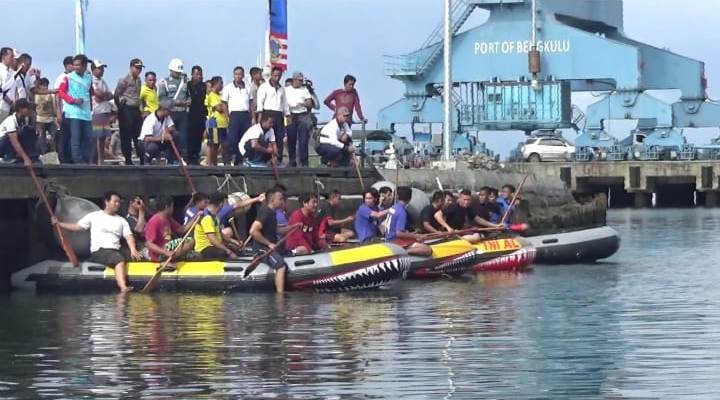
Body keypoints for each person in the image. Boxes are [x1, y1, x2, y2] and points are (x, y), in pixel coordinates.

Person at [53, 191, 141, 292]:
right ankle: (123, 287)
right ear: (107, 202)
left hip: (116, 250)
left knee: (138, 254)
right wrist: (59, 224)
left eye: (119, 202)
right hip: (100, 251)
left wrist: (133, 249)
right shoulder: (94, 216)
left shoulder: (121, 220)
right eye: (115, 202)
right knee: (118, 259)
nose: (117, 204)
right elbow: (76, 227)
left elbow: (129, 236)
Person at [249, 187, 289, 293]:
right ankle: (280, 295)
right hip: (262, 248)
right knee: (281, 265)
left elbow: (276, 230)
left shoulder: (273, 212)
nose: (282, 202)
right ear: (272, 200)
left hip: (270, 246)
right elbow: (253, 231)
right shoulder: (266, 212)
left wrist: (294, 226)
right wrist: (269, 244)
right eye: (280, 199)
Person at [57, 54, 93, 164]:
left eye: (78, 65)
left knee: (87, 138)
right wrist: (72, 100)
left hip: (86, 113)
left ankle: (85, 159)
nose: (76, 67)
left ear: (84, 66)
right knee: (75, 139)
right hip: (73, 113)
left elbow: (90, 91)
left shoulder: (88, 77)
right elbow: (61, 92)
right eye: (74, 65)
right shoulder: (68, 77)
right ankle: (77, 160)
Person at [434, 189, 501, 243]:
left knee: (478, 235)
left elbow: (478, 219)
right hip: (450, 234)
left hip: (459, 231)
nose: (466, 202)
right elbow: (437, 215)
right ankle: (456, 241)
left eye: (468, 200)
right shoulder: (453, 207)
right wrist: (448, 228)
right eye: (464, 200)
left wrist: (495, 226)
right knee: (476, 237)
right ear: (459, 198)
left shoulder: (468, 207)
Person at [144, 196, 194, 262]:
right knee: (189, 241)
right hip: (160, 253)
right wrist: (165, 252)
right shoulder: (154, 221)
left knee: (189, 242)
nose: (173, 209)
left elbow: (182, 229)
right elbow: (148, 244)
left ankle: (174, 257)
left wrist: (196, 217)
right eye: (172, 206)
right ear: (167, 207)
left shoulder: (168, 218)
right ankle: (168, 259)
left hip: (169, 247)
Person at [385, 186, 432, 256]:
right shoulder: (401, 212)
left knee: (418, 240)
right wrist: (416, 236)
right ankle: (403, 252)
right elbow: (399, 233)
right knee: (427, 250)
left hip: (388, 238)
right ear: (410, 199)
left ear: (397, 197)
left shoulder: (393, 207)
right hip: (395, 241)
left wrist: (412, 234)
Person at [115, 58, 145, 165]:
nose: (139, 70)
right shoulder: (124, 80)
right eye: (137, 68)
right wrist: (120, 107)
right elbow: (117, 94)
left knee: (139, 135)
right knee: (126, 135)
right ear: (131, 67)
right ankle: (128, 159)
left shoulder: (139, 80)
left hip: (136, 109)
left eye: (140, 68)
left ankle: (142, 158)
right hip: (126, 108)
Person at [256, 66, 289, 163]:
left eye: (279, 76)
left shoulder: (282, 89)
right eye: (275, 75)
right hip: (267, 112)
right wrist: (260, 116)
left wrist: (287, 114)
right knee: (266, 137)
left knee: (279, 137)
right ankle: (265, 159)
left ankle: (278, 159)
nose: (277, 78)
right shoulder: (264, 87)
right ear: (271, 75)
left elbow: (285, 103)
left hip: (279, 114)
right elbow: (260, 102)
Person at [158, 58, 190, 159]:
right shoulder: (164, 82)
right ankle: (169, 158)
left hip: (183, 113)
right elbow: (162, 99)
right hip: (171, 113)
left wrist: (188, 101)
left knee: (183, 137)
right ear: (171, 70)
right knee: (170, 136)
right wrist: (175, 102)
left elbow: (188, 95)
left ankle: (181, 158)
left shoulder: (185, 82)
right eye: (176, 71)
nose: (178, 73)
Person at [194, 192, 239, 260]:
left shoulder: (216, 217)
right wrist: (229, 252)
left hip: (214, 246)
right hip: (204, 248)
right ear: (221, 204)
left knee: (236, 248)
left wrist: (233, 241)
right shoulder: (207, 218)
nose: (226, 206)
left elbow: (220, 234)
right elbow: (213, 240)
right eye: (225, 204)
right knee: (223, 253)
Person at [222, 66, 251, 166]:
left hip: (245, 115)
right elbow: (224, 103)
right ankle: (227, 160)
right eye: (236, 74)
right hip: (234, 115)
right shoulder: (228, 87)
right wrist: (227, 117)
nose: (238, 76)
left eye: (240, 74)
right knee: (232, 139)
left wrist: (251, 116)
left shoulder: (248, 87)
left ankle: (239, 161)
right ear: (233, 75)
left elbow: (251, 102)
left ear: (243, 75)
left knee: (244, 139)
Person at [285, 71, 314, 167]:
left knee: (303, 139)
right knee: (291, 138)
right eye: (299, 80)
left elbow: (310, 103)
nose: (301, 82)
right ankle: (292, 160)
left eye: (302, 81)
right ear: (294, 80)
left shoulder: (305, 90)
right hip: (289, 114)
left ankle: (304, 161)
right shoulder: (286, 90)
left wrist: (301, 103)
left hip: (302, 115)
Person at [90, 60, 114, 165]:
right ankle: (97, 160)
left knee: (103, 137)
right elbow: (98, 95)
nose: (102, 70)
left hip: (105, 111)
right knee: (98, 137)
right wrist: (105, 96)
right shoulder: (91, 80)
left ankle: (101, 159)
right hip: (97, 111)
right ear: (93, 69)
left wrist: (104, 96)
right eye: (99, 68)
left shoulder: (103, 81)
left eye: (102, 68)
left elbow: (110, 95)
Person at [54, 56, 74, 163]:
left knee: (71, 136)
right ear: (67, 65)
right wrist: (58, 112)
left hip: (73, 112)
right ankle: (63, 158)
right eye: (72, 64)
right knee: (64, 136)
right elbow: (58, 96)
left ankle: (69, 158)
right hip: (64, 110)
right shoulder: (61, 78)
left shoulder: (73, 77)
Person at [204, 76, 228, 166]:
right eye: (220, 83)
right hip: (214, 122)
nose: (222, 85)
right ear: (215, 84)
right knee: (213, 144)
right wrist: (224, 106)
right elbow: (219, 108)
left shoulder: (220, 96)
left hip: (222, 123)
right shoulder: (212, 95)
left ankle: (215, 163)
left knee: (219, 145)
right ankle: (211, 164)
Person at [187, 65, 206, 165]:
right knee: (190, 137)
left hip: (200, 114)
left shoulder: (204, 86)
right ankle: (189, 157)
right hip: (190, 115)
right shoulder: (187, 85)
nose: (198, 76)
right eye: (196, 74)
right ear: (192, 75)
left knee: (199, 137)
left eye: (200, 74)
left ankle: (196, 156)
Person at [34, 78, 57, 154]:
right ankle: (42, 154)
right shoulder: (37, 95)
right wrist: (45, 101)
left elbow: (54, 107)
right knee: (41, 139)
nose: (45, 87)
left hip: (50, 119)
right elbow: (40, 107)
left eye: (46, 85)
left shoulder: (50, 95)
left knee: (55, 136)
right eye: (43, 85)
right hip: (40, 120)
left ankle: (55, 152)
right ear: (40, 86)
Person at [0, 47, 18, 123]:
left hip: (9, 109)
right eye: (11, 56)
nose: (12, 59)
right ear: (4, 57)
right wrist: (10, 103)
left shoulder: (11, 72)